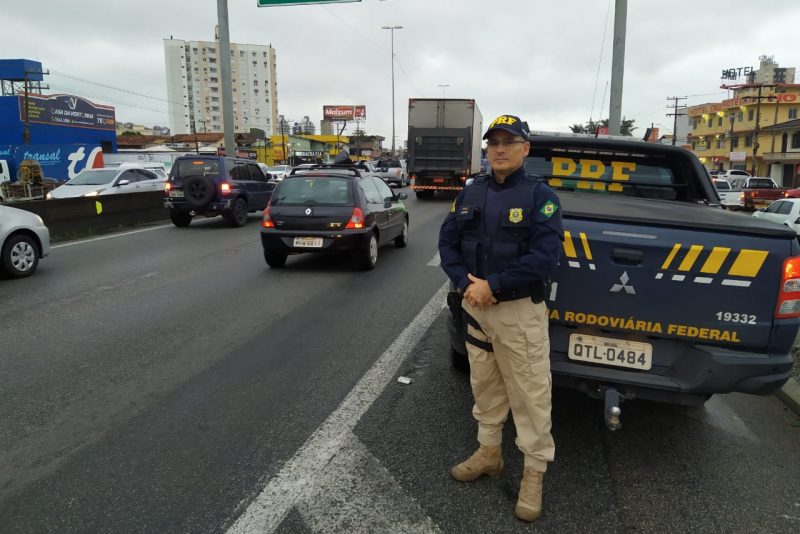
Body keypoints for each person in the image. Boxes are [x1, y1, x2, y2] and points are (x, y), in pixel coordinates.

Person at [438, 114, 563, 522]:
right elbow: (448, 241)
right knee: (485, 385)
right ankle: (489, 453)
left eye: (509, 142)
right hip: (476, 305)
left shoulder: (540, 196)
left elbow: (544, 258)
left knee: (530, 394)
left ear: (525, 149)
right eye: (494, 143)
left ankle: (534, 474)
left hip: (516, 311)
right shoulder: (471, 192)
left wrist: (493, 285)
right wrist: (463, 283)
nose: (500, 149)